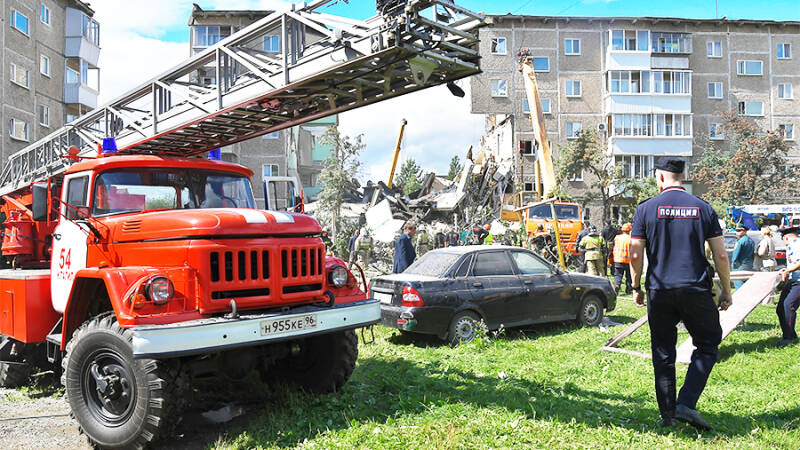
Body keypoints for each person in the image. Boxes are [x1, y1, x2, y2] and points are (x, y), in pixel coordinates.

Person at [630, 156, 732, 431]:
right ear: (682, 176)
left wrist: (636, 285)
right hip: (695, 288)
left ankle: (667, 415)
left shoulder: (646, 209)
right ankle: (686, 402)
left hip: (659, 289)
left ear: (660, 177)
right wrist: (727, 289)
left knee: (663, 351)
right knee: (708, 343)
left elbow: (636, 252)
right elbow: (721, 254)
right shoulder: (702, 208)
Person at [776, 226, 800, 346]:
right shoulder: (792, 245)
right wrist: (787, 270)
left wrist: (788, 271)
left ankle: (788, 338)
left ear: (786, 237)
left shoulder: (798, 244)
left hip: (799, 282)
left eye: (783, 239)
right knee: (780, 308)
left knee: (788, 306)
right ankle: (791, 333)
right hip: (792, 280)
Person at [612, 223, 633, 294]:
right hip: (628, 260)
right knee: (629, 276)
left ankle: (617, 285)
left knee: (618, 275)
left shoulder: (617, 238)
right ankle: (629, 289)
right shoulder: (631, 238)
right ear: (629, 230)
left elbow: (613, 246)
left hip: (618, 259)